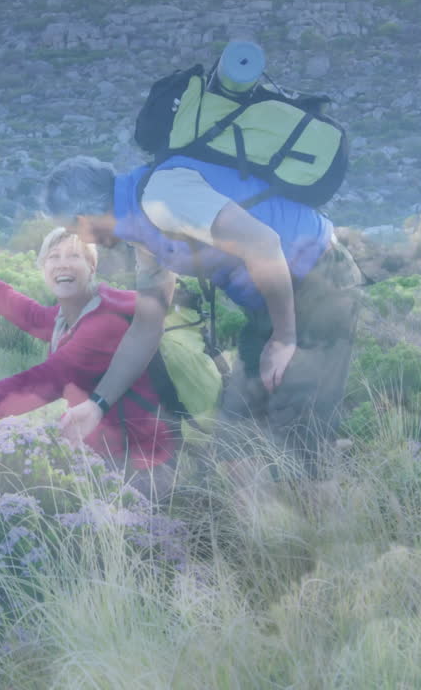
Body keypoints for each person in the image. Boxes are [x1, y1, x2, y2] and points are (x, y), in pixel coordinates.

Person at [43, 154, 363, 478]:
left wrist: (284, 338)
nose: (83, 238)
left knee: (301, 448)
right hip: (270, 305)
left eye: (75, 230)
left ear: (83, 218)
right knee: (236, 452)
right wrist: (97, 405)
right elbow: (146, 327)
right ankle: (265, 520)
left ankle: (329, 509)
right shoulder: (143, 233)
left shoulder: (163, 197)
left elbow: (264, 245)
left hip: (321, 283)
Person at [0, 227, 180, 500]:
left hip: (142, 460)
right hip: (106, 450)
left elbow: (46, 380)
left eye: (74, 256)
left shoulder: (106, 319)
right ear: (43, 268)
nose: (63, 263)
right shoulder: (68, 316)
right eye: (53, 256)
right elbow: (33, 316)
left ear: (92, 267)